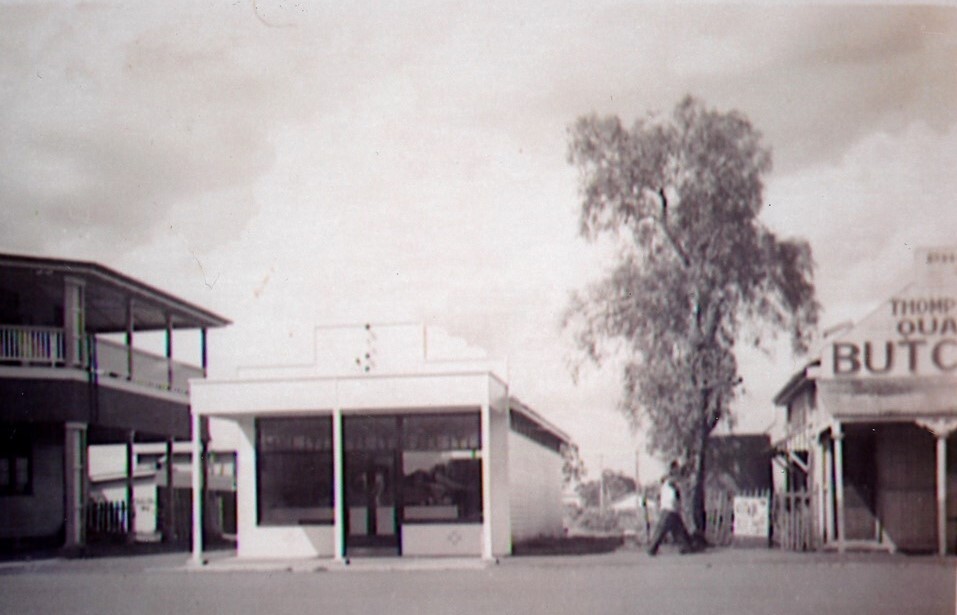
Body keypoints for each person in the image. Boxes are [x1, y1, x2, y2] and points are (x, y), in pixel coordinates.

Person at [646, 461, 693, 556]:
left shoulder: (669, 482)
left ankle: (685, 547)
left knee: (678, 530)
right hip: (668, 508)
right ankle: (652, 549)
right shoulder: (669, 481)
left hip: (672, 508)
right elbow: (672, 481)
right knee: (662, 530)